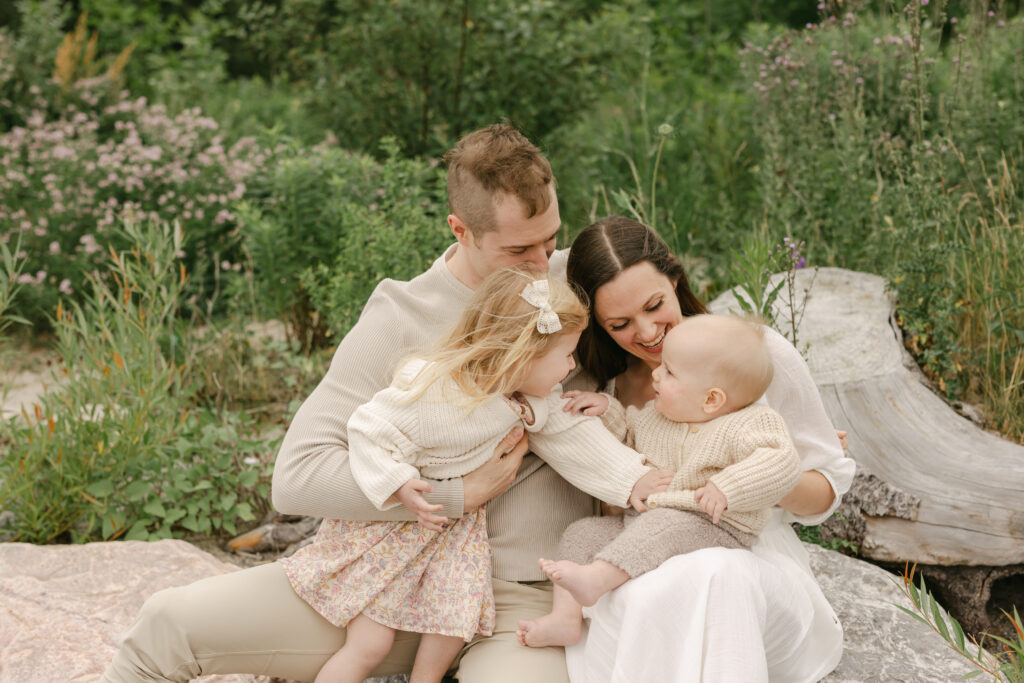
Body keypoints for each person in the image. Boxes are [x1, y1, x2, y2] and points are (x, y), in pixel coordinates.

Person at [100, 124, 617, 683]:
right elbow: (298, 475)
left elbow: (680, 351)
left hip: (528, 599)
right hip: (392, 593)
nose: (542, 264)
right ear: (460, 230)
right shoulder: (400, 315)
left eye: (549, 240)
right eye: (519, 250)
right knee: (167, 624)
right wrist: (453, 496)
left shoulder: (575, 283)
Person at [283, 265, 670, 683]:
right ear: (523, 355)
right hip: (400, 529)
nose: (572, 364)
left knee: (450, 628)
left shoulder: (532, 402)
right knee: (369, 645)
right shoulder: (436, 388)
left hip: (456, 537)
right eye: (565, 355)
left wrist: (633, 479)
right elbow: (368, 429)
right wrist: (395, 481)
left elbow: (575, 442)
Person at [556, 214, 856, 683]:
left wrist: (754, 475)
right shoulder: (612, 393)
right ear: (599, 325)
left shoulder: (753, 354)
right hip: (644, 566)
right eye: (620, 323)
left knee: (716, 572)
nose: (648, 332)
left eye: (655, 305)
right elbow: (619, 516)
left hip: (750, 558)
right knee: (657, 586)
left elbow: (826, 492)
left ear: (675, 279)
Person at [517, 314, 803, 649]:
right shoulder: (656, 417)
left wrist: (730, 486)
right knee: (582, 533)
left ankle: (597, 579)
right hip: (642, 522)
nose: (655, 372)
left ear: (711, 399)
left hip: (715, 525)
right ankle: (565, 618)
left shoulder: (750, 423)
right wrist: (606, 409)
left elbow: (781, 460)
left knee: (669, 523)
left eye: (669, 371)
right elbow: (626, 435)